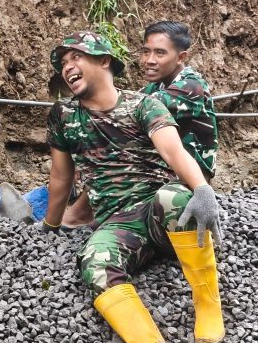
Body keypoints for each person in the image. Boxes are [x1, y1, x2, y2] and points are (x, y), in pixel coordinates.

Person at [41, 31, 224, 343]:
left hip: (157, 207)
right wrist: (48, 226)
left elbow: (174, 152)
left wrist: (202, 189)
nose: (67, 68)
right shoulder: (63, 116)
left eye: (75, 58)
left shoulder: (144, 105)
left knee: (175, 198)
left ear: (104, 61)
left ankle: (208, 306)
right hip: (117, 222)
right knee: (93, 259)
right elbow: (60, 178)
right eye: (63, 64)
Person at [62, 20, 218, 225]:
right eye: (146, 52)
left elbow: (123, 114)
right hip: (158, 170)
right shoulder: (153, 88)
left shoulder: (190, 86)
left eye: (160, 53)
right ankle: (82, 208)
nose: (149, 60)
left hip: (187, 179)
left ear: (181, 57)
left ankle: (81, 213)